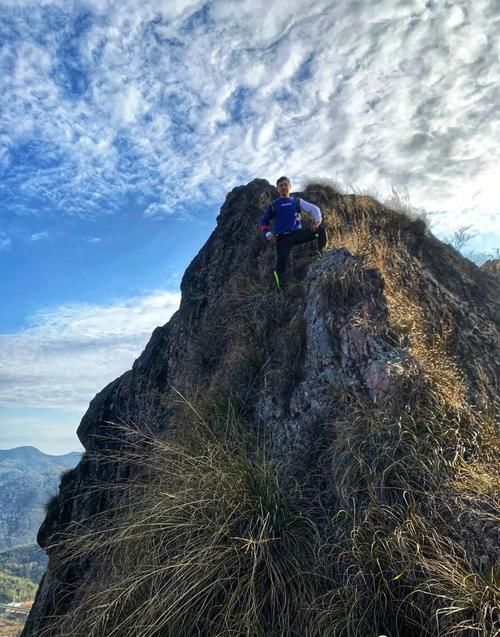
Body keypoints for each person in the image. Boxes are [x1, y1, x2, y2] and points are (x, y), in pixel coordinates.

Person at [261, 176, 327, 289]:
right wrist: (268, 234)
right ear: (277, 189)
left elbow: (314, 209)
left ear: (290, 187)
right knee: (281, 266)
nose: (283, 187)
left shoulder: (296, 202)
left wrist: (317, 222)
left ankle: (321, 254)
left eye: (285, 184)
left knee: (320, 231)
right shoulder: (273, 205)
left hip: (297, 235)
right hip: (282, 239)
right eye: (280, 185)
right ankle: (280, 288)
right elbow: (264, 222)